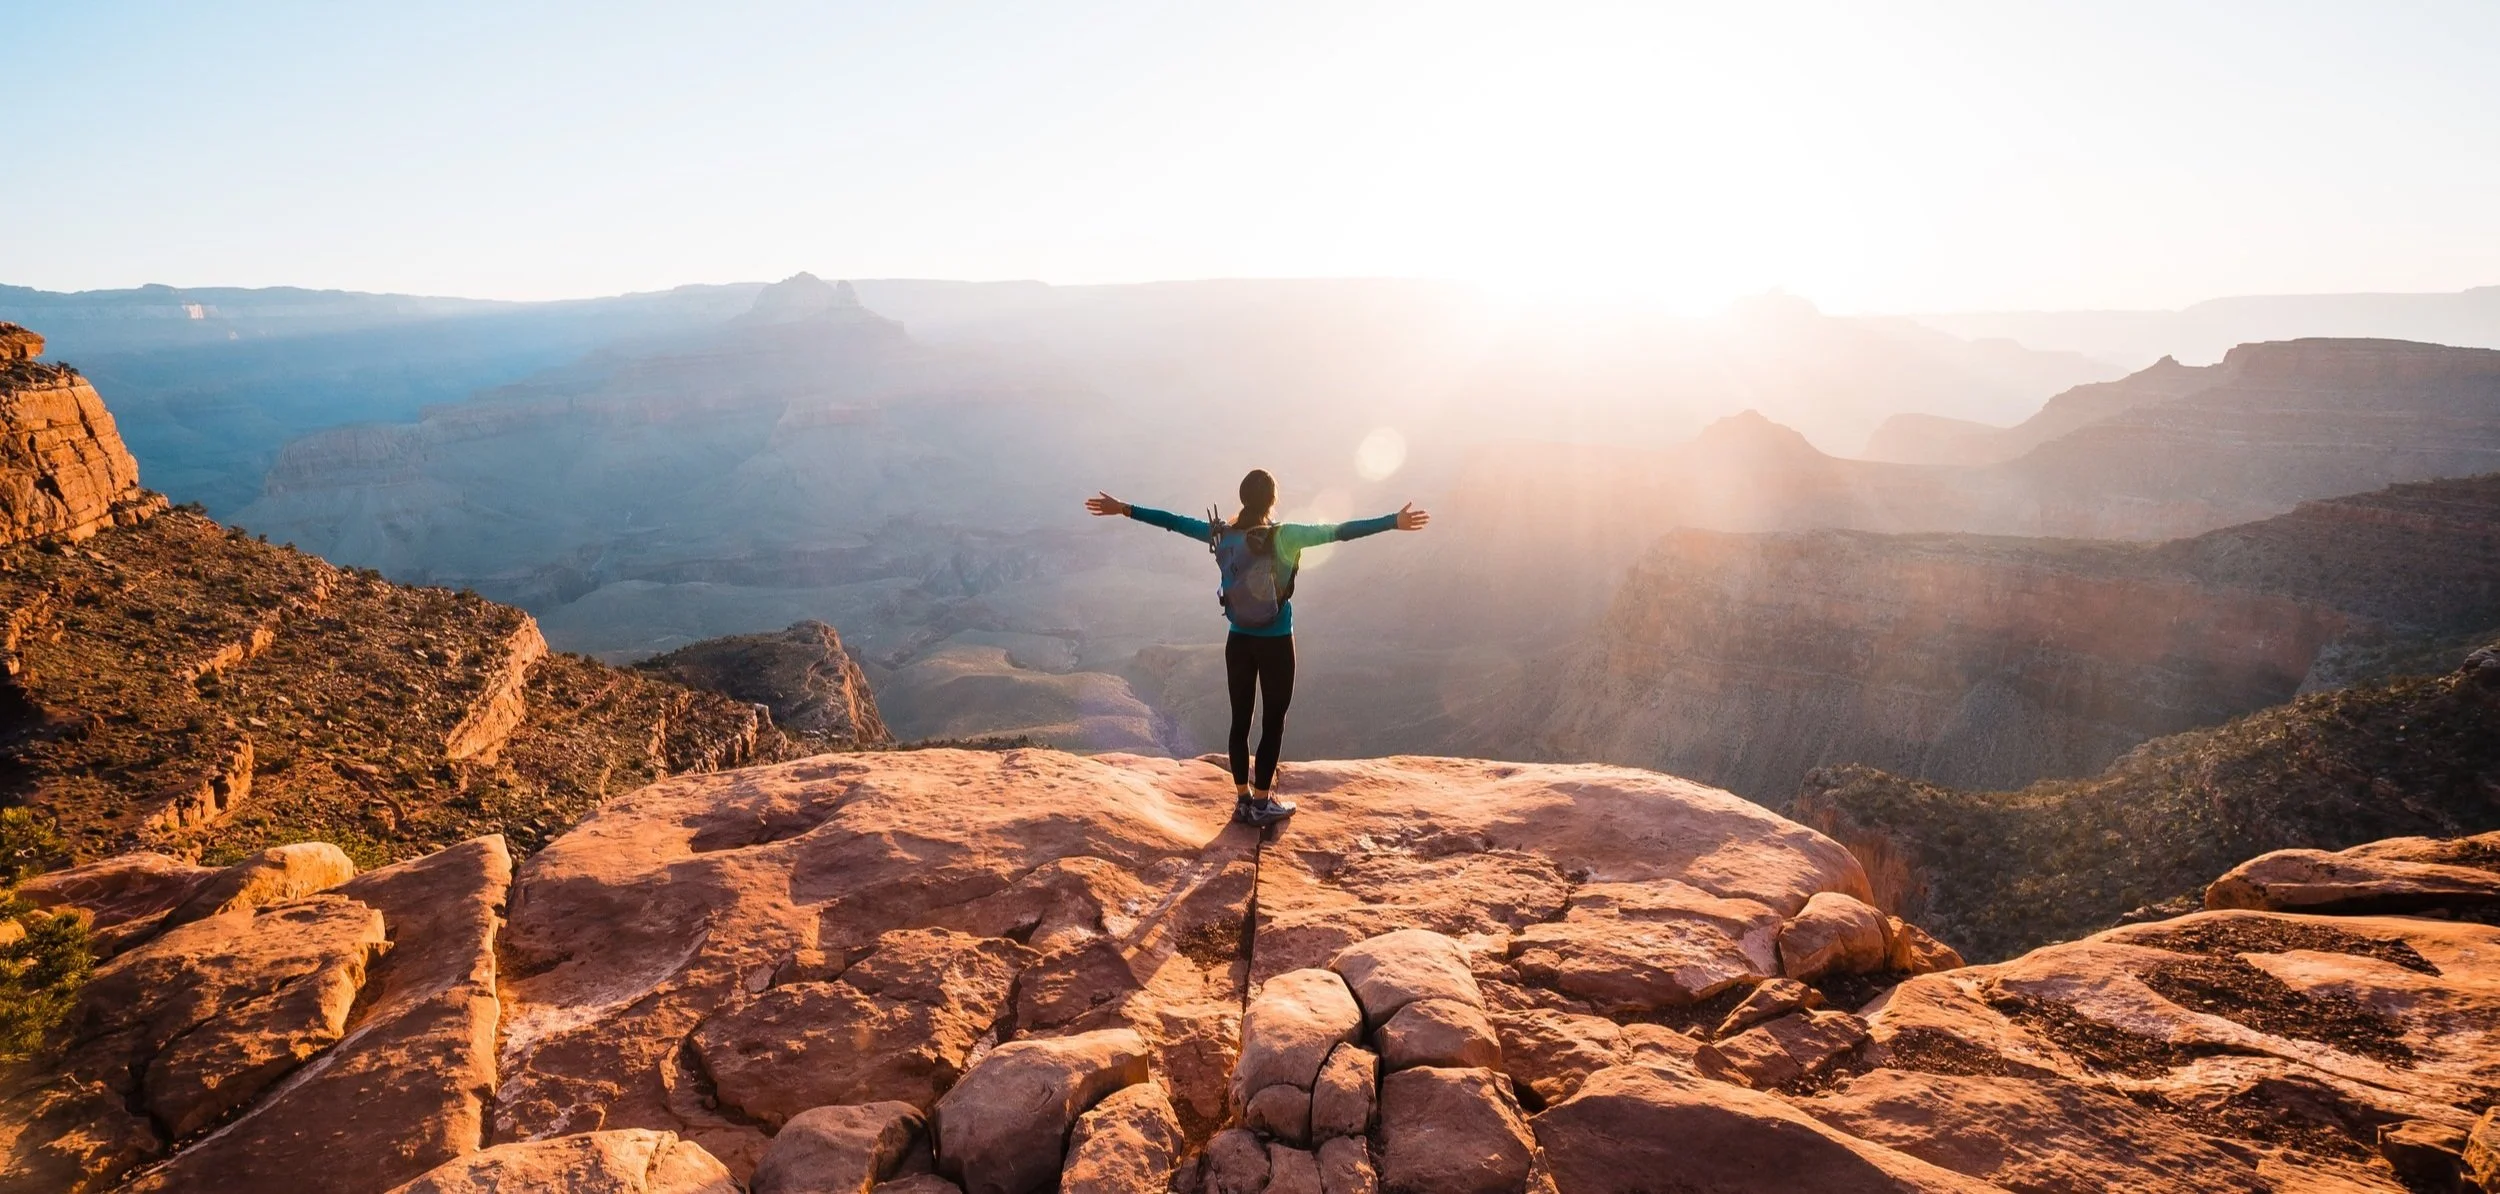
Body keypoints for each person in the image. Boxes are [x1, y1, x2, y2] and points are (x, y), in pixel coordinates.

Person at [1086, 469, 1430, 825]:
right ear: (1272, 500)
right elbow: (1341, 531)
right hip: (1277, 642)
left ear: (1242, 498)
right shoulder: (1286, 536)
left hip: (1238, 640)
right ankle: (1263, 803)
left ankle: (1242, 801)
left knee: (1239, 721)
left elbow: (1172, 522)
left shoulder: (1221, 533)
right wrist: (1393, 522)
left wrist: (1123, 508)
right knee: (1273, 722)